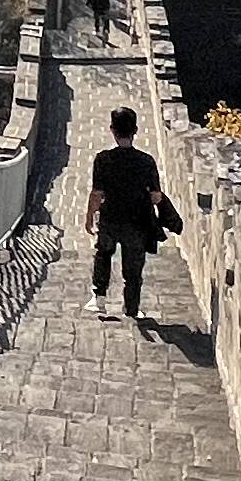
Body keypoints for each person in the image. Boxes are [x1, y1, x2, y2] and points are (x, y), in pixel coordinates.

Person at [88, 104, 175, 324]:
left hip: (109, 218)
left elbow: (97, 193)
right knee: (133, 268)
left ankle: (99, 299)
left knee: (103, 254)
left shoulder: (103, 159)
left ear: (112, 130)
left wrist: (89, 216)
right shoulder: (146, 161)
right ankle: (132, 309)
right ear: (135, 131)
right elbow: (156, 196)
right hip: (136, 223)